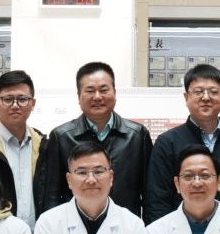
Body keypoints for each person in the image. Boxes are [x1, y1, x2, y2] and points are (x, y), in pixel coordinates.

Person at [43, 62, 154, 214]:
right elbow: (52, 195)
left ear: (115, 93)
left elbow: (150, 194)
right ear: (79, 96)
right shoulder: (61, 137)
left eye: (103, 90)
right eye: (90, 91)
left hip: (125, 225)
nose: (97, 97)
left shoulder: (137, 135)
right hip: (74, 224)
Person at [145, 63, 220, 220]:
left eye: (213, 92)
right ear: (186, 97)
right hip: (178, 230)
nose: (206, 97)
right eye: (198, 92)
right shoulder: (167, 142)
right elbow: (157, 200)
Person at [0, 69, 53, 226]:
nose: (15, 105)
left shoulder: (44, 146)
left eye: (22, 99)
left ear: (33, 103)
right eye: (8, 99)